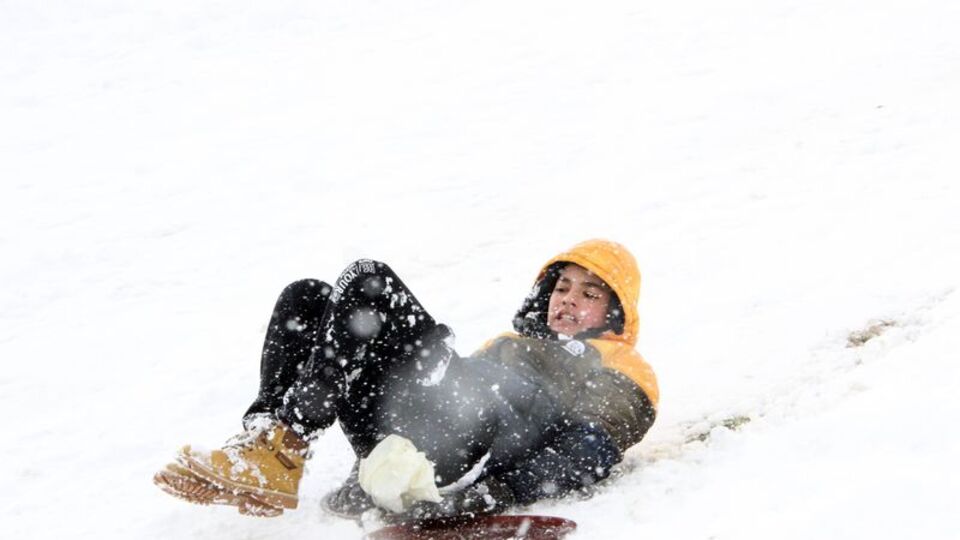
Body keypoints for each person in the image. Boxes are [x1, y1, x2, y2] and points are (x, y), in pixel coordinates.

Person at [154, 239, 658, 519]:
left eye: (590, 294)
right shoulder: (503, 347)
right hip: (419, 436)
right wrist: (372, 478)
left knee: (370, 280)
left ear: (615, 312)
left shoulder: (620, 365)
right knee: (307, 297)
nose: (568, 299)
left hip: (473, 447)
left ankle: (287, 444)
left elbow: (587, 452)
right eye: (562, 286)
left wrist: (489, 497)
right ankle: (265, 445)